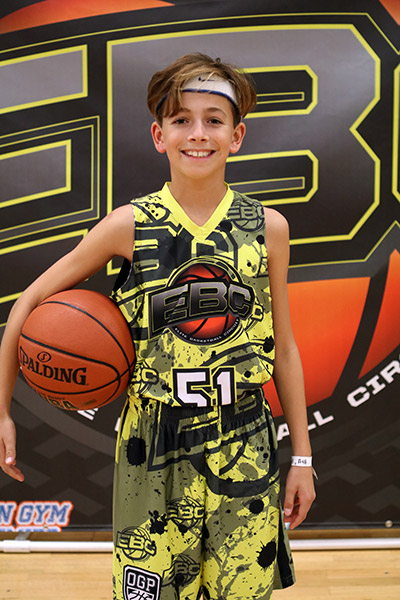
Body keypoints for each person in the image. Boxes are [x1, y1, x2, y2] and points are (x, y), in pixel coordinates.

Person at [0, 53, 315, 599]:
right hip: (153, 440)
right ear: (158, 135)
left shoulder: (268, 227)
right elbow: (27, 303)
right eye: (181, 120)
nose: (198, 134)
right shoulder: (129, 224)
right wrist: (2, 410)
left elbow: (284, 348)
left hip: (245, 438)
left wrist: (303, 458)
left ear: (237, 136)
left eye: (214, 120)